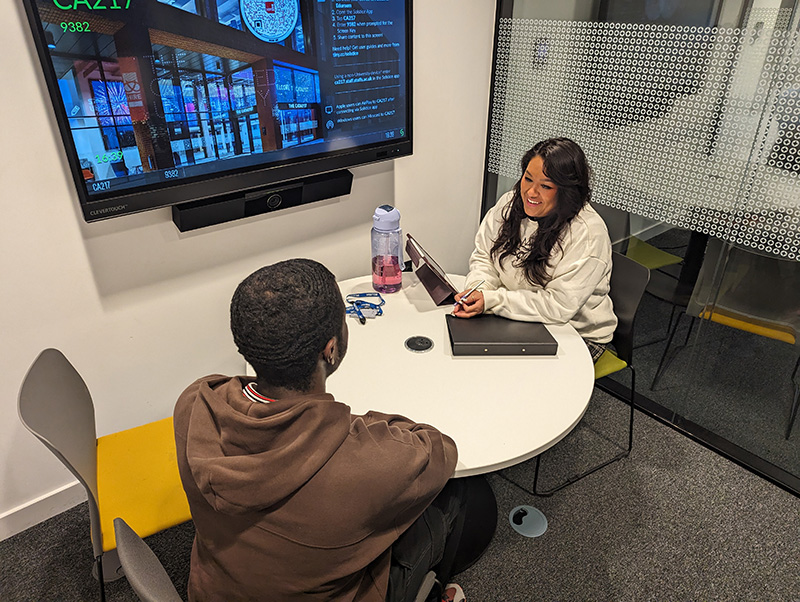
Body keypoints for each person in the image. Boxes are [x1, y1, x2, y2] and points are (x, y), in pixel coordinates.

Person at [173, 258, 467, 602]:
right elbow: (439, 448)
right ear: (331, 349)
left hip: (217, 588)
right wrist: (355, 422)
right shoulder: (370, 463)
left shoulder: (195, 402)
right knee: (458, 493)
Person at [453, 137, 617, 361]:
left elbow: (558, 306)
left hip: (574, 333)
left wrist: (493, 301)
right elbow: (485, 257)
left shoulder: (588, 233)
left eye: (546, 186)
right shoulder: (510, 203)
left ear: (568, 191)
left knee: (511, 381)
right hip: (518, 312)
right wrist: (477, 291)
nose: (531, 192)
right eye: (527, 179)